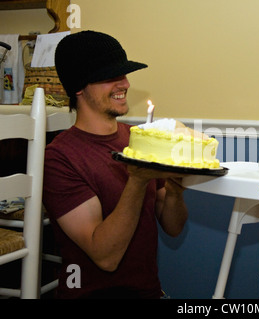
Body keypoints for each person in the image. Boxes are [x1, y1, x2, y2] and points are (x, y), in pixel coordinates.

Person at [43, 30, 188, 299]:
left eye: (124, 75)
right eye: (111, 77)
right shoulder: (59, 158)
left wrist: (177, 188)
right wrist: (138, 178)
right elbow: (105, 256)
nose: (125, 84)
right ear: (79, 86)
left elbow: (173, 227)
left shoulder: (138, 138)